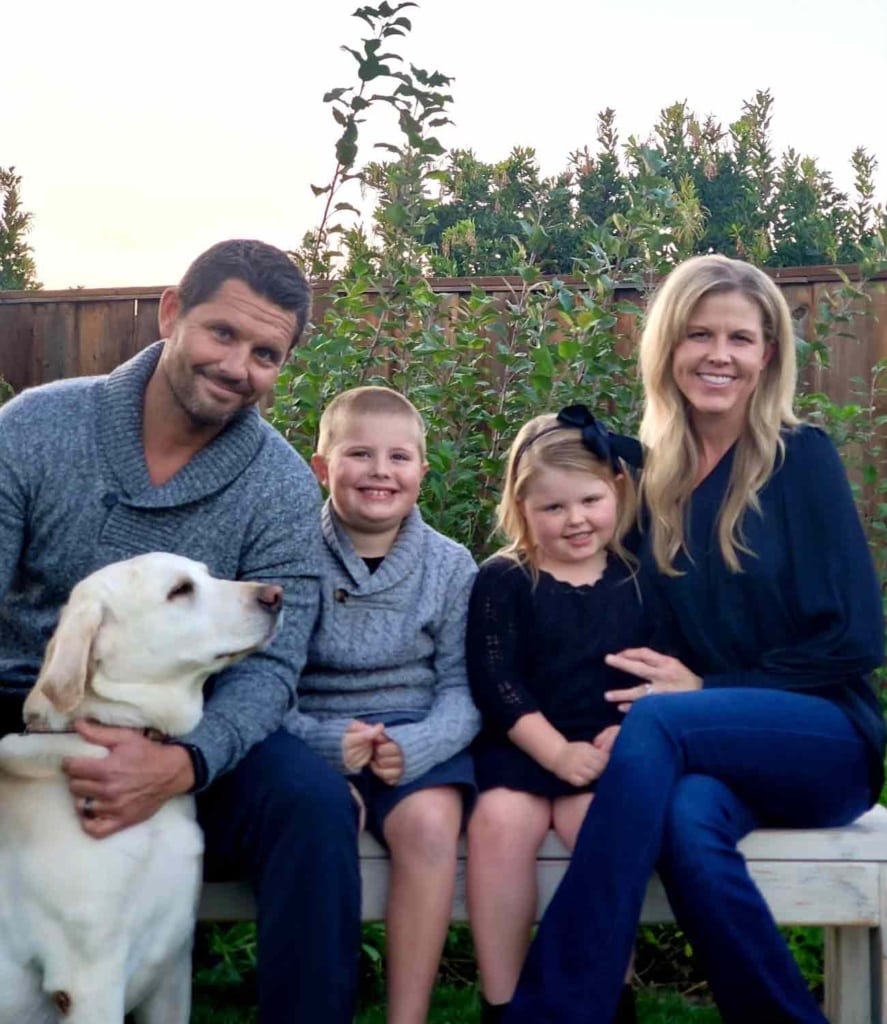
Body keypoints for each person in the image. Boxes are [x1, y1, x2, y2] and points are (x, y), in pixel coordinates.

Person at [506, 253, 886, 1024]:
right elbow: (574, 565)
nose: (719, 355)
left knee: (660, 718)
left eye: (740, 339)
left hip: (824, 738)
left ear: (767, 354)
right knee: (685, 822)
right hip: (698, 742)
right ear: (667, 349)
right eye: (698, 334)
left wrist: (706, 692)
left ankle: (554, 1010)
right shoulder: (646, 477)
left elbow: (856, 637)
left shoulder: (797, 458)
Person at [0, 239, 361, 1022]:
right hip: (22, 712)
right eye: (222, 334)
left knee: (311, 805)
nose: (238, 366)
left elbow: (274, 665)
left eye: (266, 353)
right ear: (171, 313)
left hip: (186, 729)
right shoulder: (34, 429)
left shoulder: (277, 486)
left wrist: (183, 763)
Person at [284, 385, 480, 1024]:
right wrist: (322, 743)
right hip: (314, 732)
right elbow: (265, 687)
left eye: (399, 457)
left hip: (417, 736)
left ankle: (407, 1017)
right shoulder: (289, 558)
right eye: (360, 454)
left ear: (424, 469)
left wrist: (418, 746)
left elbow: (464, 690)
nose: (380, 471)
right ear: (322, 467)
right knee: (319, 816)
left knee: (428, 829)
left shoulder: (451, 567)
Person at [465, 407, 656, 1024]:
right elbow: (497, 681)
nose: (575, 519)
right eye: (553, 508)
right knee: (498, 825)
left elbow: (664, 668)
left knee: (602, 829)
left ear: (618, 492)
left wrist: (629, 732)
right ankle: (503, 1001)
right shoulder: (505, 579)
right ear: (522, 509)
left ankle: (608, 997)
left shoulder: (638, 576)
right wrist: (554, 753)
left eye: (590, 500)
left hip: (608, 749)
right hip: (523, 746)